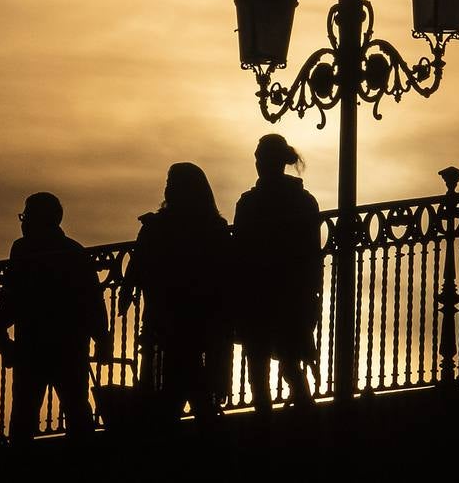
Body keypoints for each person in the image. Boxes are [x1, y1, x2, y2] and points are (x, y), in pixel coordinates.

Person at [0, 192, 109, 444]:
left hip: (33, 346)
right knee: (77, 411)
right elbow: (92, 301)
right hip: (68, 346)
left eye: (26, 216)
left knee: (25, 416)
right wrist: (102, 338)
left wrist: (1, 336)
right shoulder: (74, 252)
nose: (23, 223)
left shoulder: (23, 250)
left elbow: (11, 298)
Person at [121, 162, 233, 423]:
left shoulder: (156, 227)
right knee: (195, 390)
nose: (168, 189)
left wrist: (129, 289)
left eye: (172, 184)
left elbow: (139, 264)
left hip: (171, 324)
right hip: (196, 325)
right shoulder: (213, 227)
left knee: (164, 394)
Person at [232, 134, 322, 413]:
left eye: (261, 158)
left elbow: (239, 251)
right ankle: (303, 414)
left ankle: (265, 422)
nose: (258, 163)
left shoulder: (249, 203)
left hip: (262, 295)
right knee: (290, 360)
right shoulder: (305, 201)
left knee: (260, 362)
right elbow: (312, 255)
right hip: (289, 295)